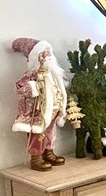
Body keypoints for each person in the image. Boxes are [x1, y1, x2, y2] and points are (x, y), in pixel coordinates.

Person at [12, 38, 68, 171]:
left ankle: (48, 153)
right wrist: (34, 87)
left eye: (49, 53)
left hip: (53, 109)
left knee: (50, 132)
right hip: (38, 111)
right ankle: (36, 158)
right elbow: (19, 88)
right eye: (44, 53)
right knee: (37, 134)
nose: (48, 56)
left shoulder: (54, 73)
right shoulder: (32, 75)